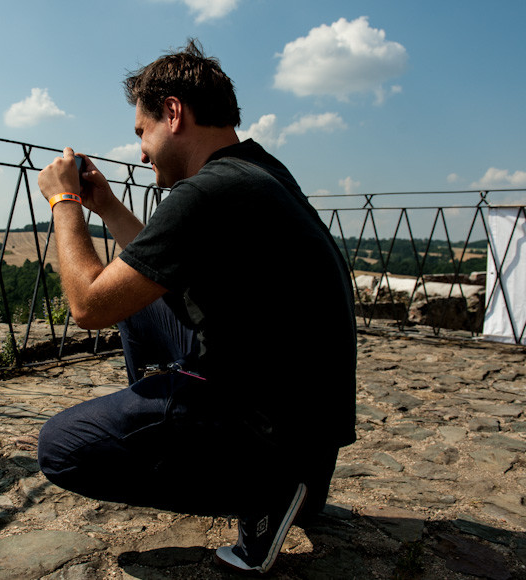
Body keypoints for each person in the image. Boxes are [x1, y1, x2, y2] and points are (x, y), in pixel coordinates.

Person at [35, 39, 356, 574]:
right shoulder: (257, 171)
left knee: (61, 448)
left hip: (271, 442)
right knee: (137, 301)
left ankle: (256, 491)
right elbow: (145, 277)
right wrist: (108, 207)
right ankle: (201, 443)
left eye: (142, 131)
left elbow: (88, 305)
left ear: (174, 113)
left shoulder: (207, 193)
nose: (140, 151)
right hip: (311, 441)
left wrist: (64, 203)